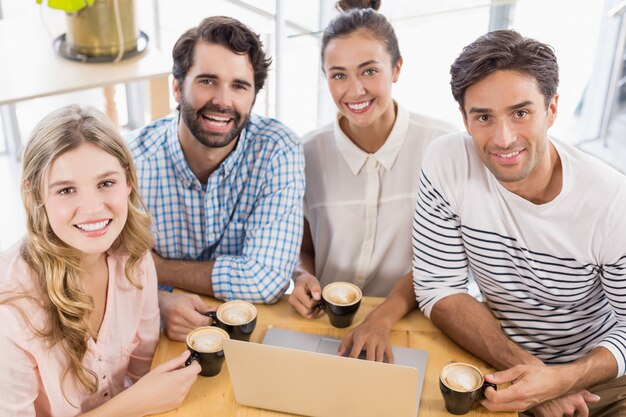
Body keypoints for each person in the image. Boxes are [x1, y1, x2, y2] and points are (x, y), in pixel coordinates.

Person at [409, 30, 626, 416]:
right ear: (464, 118)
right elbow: (438, 286)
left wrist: (563, 380)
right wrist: (531, 374)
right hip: (496, 362)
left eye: (521, 113)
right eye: (484, 117)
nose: (503, 138)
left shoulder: (612, 203)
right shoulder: (446, 161)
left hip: (600, 380)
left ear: (553, 109)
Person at [0, 105, 200, 416]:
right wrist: (133, 404)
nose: (93, 208)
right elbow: (140, 395)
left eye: (106, 183)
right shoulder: (9, 306)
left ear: (128, 182)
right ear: (36, 195)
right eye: (66, 190)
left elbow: (142, 370)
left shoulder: (135, 257)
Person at [287, 0, 456, 361]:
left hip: (411, 322)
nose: (355, 90)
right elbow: (303, 248)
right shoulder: (306, 152)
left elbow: (441, 263)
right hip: (328, 324)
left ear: (396, 68)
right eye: (338, 75)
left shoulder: (441, 147)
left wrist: (382, 317)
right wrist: (302, 277)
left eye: (368, 71)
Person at [128, 16, 305, 341]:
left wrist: (155, 268)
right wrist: (159, 301)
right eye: (207, 81)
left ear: (253, 97)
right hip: (153, 332)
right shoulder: (132, 161)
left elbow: (266, 278)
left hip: (249, 330)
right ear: (177, 88)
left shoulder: (277, 150)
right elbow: (105, 272)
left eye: (239, 86)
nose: (223, 100)